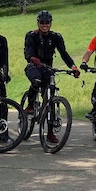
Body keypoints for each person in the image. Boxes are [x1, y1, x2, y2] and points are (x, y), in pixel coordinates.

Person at [23, 10, 80, 144]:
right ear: (38, 23)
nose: (44, 25)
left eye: (47, 22)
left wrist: (73, 67)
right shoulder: (31, 36)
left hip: (48, 69)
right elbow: (28, 52)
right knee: (36, 82)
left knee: (50, 98)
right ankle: (30, 104)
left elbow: (63, 53)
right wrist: (32, 58)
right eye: (42, 22)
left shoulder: (56, 37)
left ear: (50, 23)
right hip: (34, 66)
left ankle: (49, 132)